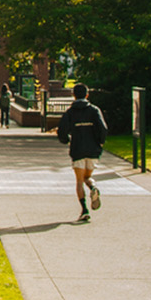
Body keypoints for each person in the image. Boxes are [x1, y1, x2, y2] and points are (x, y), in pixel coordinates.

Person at [56, 83, 107, 222]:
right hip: (93, 149)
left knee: (79, 180)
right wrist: (100, 143)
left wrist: (66, 140)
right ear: (87, 95)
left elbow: (62, 131)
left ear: (73, 95)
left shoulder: (70, 112)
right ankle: (93, 187)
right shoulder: (94, 110)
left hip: (78, 148)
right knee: (87, 177)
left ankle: (84, 209)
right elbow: (103, 129)